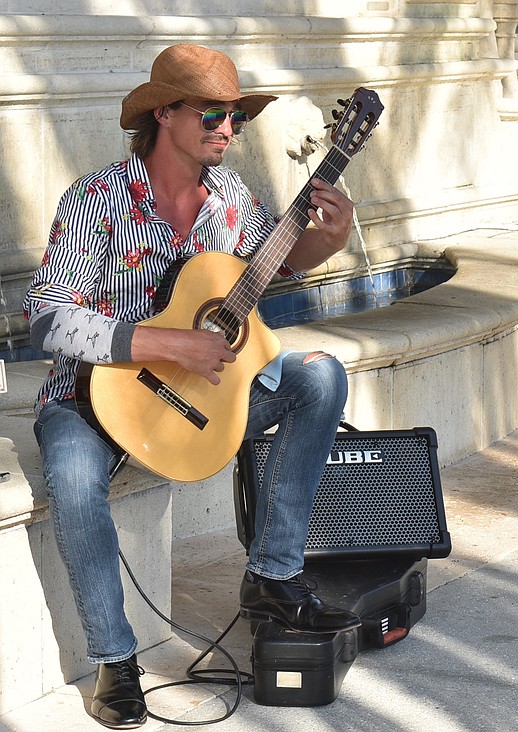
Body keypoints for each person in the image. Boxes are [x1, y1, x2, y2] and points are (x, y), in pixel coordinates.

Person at [23, 44, 360, 729]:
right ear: (164, 114)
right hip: (90, 398)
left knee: (320, 376)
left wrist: (328, 240)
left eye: (234, 116)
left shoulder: (231, 198)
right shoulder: (97, 198)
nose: (227, 129)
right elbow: (48, 319)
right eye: (212, 113)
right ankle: (115, 661)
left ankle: (273, 574)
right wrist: (166, 341)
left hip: (192, 403)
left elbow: (274, 264)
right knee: (72, 476)